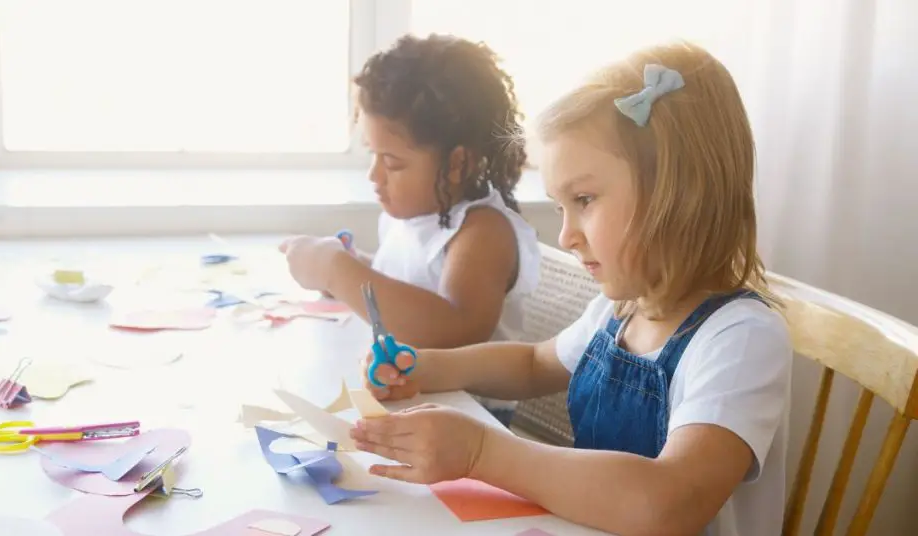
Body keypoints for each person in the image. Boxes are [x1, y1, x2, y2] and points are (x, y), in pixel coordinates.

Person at [349, 41, 793, 536]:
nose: (566, 235)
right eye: (562, 207)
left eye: (584, 199)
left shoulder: (741, 339)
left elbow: (668, 502)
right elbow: (534, 363)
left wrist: (480, 451)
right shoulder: (622, 308)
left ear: (679, 192)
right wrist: (426, 366)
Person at [279, 34, 542, 422]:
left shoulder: (482, 231)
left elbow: (453, 332)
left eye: (392, 162)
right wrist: (358, 265)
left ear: (457, 164)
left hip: (468, 424)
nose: (374, 175)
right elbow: (411, 287)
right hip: (411, 401)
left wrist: (338, 270)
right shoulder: (412, 217)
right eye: (373, 155)